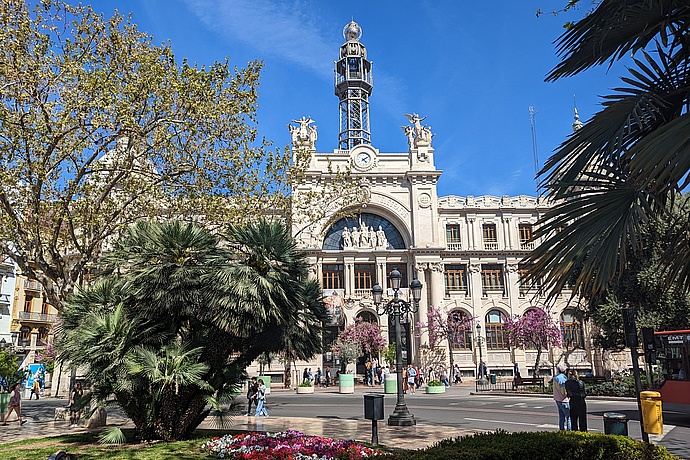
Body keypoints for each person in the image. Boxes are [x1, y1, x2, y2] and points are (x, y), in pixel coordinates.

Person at [552, 364, 571, 430]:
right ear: (564, 371)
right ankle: (569, 432)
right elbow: (563, 391)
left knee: (561, 417)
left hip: (557, 399)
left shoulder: (555, 377)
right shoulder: (562, 378)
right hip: (564, 400)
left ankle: (562, 430)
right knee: (569, 418)